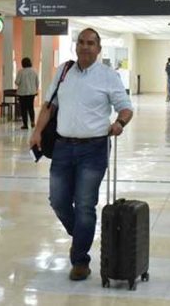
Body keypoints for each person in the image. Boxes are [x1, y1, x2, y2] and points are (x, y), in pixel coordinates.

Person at [29, 28, 133, 282]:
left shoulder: (109, 76)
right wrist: (37, 131)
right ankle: (82, 236)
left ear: (99, 49)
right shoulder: (64, 71)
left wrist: (119, 123)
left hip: (94, 149)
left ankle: (79, 260)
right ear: (76, 46)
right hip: (63, 147)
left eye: (91, 43)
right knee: (58, 200)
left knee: (85, 204)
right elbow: (49, 105)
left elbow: (126, 108)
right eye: (81, 43)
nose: (85, 47)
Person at [15, 57, 39, 130]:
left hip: (22, 93)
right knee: (31, 107)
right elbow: (37, 82)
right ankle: (32, 121)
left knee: (23, 109)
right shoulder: (34, 71)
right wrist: (35, 89)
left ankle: (25, 124)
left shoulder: (20, 72)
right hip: (32, 92)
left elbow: (17, 82)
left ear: (22, 63)